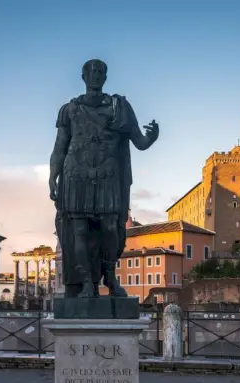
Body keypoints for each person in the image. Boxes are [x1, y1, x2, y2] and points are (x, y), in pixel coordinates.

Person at [49, 59, 160, 298]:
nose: (95, 75)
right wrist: (52, 177)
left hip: (109, 174)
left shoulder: (119, 106)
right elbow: (60, 147)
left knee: (111, 228)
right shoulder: (69, 110)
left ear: (105, 77)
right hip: (75, 174)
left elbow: (139, 142)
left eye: (100, 72)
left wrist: (152, 138)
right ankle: (87, 283)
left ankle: (109, 277)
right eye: (91, 71)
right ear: (83, 76)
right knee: (79, 231)